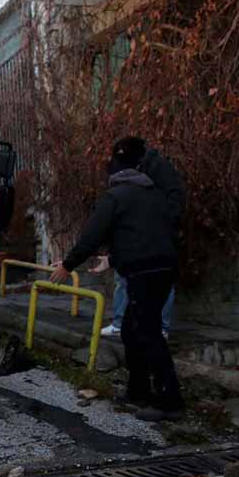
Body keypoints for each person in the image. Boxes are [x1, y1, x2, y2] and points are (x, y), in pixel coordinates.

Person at [50, 137, 184, 421]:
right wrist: (112, 260)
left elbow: (91, 236)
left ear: (115, 172)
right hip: (164, 267)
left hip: (143, 272)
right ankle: (139, 391)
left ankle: (170, 400)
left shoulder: (115, 197)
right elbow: (146, 234)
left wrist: (69, 265)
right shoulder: (154, 195)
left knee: (146, 332)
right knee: (133, 330)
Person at [96, 141, 185, 339]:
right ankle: (122, 322)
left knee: (161, 280)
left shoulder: (158, 168)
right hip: (139, 230)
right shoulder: (133, 170)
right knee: (125, 276)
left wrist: (165, 221)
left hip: (157, 231)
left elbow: (175, 195)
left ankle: (160, 326)